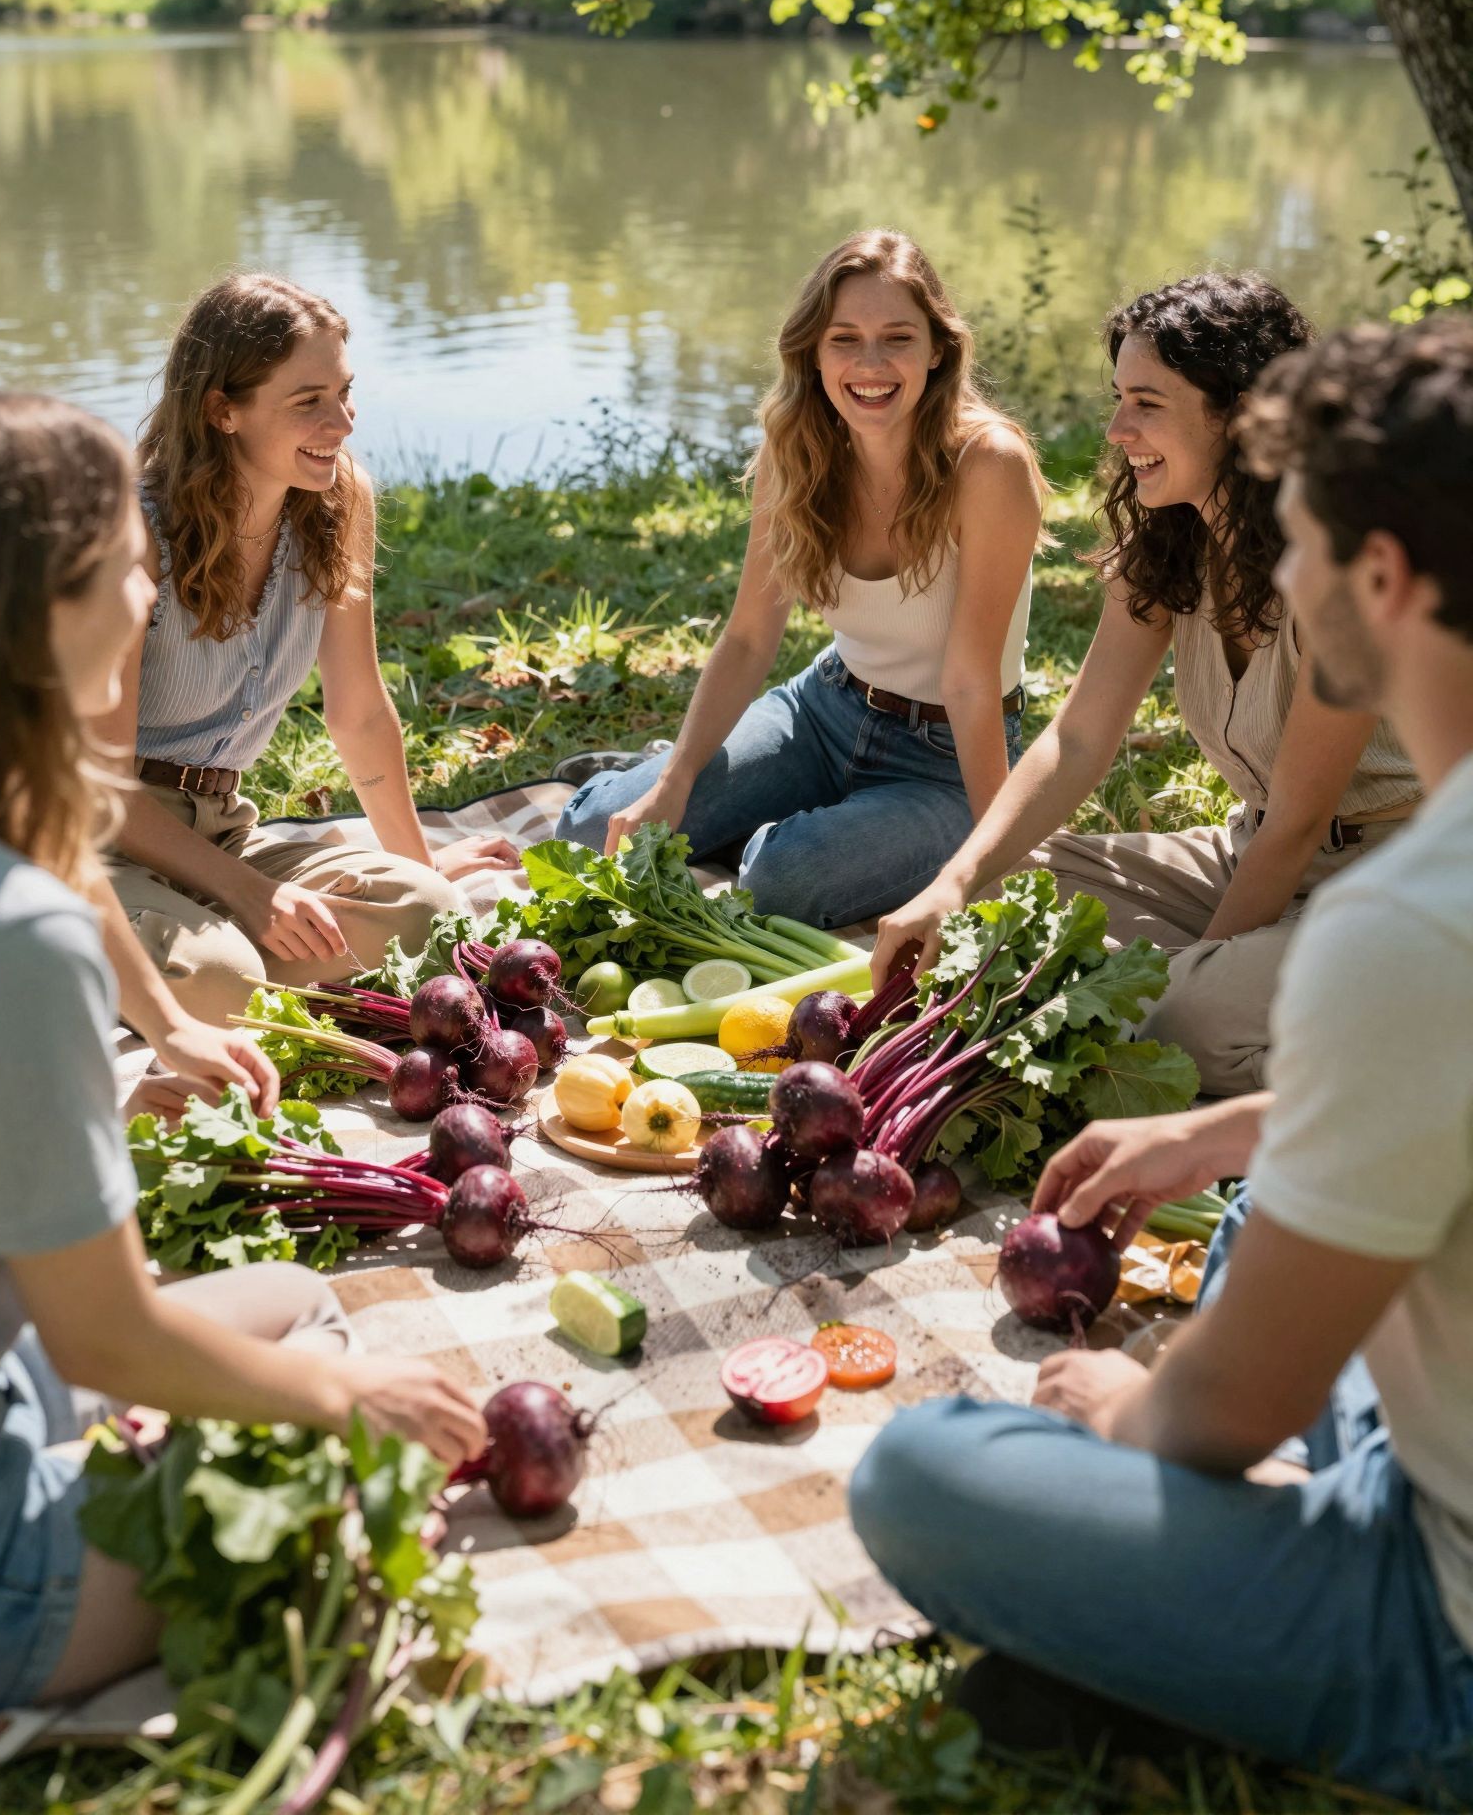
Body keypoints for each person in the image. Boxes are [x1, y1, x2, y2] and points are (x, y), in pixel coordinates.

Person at [850, 317, 1473, 1805]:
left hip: (1444, 1635)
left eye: (1311, 541)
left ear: (1378, 580)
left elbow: (1223, 1411)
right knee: (1260, 1204)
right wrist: (1229, 1132)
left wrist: (1110, 1413)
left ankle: (1218, 1640)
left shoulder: (1403, 926)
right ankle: (1208, 1600)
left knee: (924, 1472)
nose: (1293, 571)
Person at [0, 387, 486, 1731]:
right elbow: (109, 1333)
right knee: (340, 1479)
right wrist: (350, 1401)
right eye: (127, 562)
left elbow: (62, 869)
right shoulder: (7, 937)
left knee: (290, 1301)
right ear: (55, 603)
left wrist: (159, 1041)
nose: (148, 590)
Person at [871, 272, 1421, 1093]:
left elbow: (1299, 825)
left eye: (1149, 403)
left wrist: (1194, 975)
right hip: (1246, 854)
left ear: (1240, 415)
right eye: (1119, 398)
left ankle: (1414, 1053)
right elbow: (1079, 737)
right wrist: (953, 884)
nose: (1119, 429)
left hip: (1389, 880)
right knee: (1012, 895)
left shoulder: (1337, 572)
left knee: (1183, 1022)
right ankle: (1259, 1003)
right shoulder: (1167, 547)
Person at [555, 230, 1044, 928]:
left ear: (938, 350)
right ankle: (679, 774)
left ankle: (796, 828)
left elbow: (970, 681)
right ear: (813, 351)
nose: (870, 364)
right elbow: (751, 638)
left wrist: (996, 856)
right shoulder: (799, 449)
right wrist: (675, 779)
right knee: (592, 832)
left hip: (944, 760)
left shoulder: (988, 464)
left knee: (781, 882)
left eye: (897, 338)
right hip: (824, 711)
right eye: (844, 338)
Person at [98, 274, 518, 1027]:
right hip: (101, 846)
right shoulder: (135, 536)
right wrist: (251, 894)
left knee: (428, 915)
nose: (343, 422)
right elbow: (101, 790)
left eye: (345, 392)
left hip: (225, 830)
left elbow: (356, 712)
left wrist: (415, 864)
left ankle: (195, 951)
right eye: (308, 402)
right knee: (226, 989)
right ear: (222, 411)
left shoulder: (338, 503)